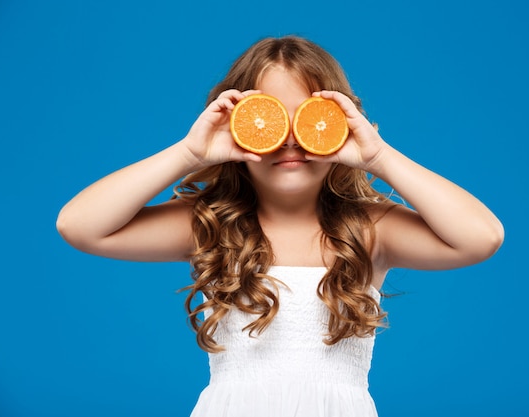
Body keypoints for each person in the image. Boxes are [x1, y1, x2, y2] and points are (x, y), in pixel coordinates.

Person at [56, 35, 504, 417]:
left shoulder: (369, 230)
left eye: (308, 118)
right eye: (270, 117)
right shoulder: (210, 224)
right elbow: (79, 225)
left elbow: (481, 237)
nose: (290, 136)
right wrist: (188, 154)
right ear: (236, 124)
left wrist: (378, 157)